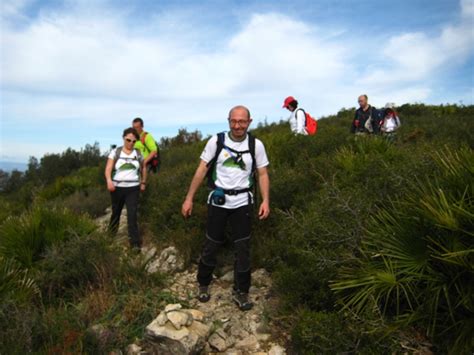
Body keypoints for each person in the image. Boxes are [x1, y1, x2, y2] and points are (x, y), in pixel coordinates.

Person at [181, 105, 271, 311]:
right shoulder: (217, 141)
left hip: (243, 202)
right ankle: (203, 283)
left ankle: (242, 291)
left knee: (243, 248)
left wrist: (266, 200)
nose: (237, 125)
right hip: (218, 200)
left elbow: (263, 174)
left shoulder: (256, 145)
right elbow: (201, 169)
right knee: (211, 243)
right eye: (234, 121)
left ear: (249, 122)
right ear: (228, 121)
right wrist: (189, 198)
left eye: (242, 121)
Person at [105, 127, 147, 250]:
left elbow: (143, 168)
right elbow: (108, 168)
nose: (131, 143)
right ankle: (109, 238)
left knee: (132, 215)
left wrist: (143, 182)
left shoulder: (138, 153)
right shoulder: (115, 152)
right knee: (116, 213)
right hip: (117, 188)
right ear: (123, 138)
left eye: (134, 141)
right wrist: (109, 180)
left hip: (133, 188)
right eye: (128, 140)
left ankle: (134, 244)